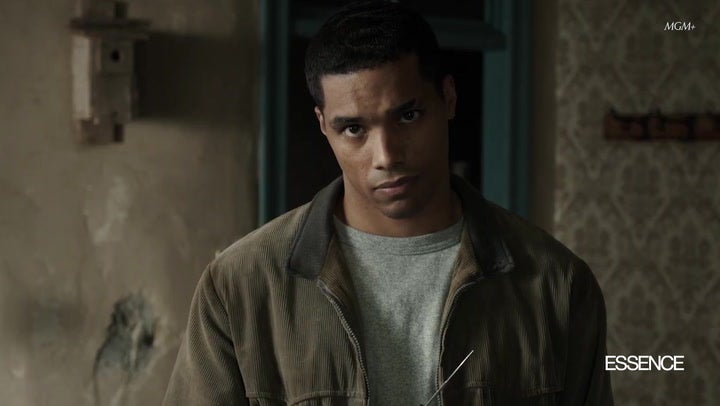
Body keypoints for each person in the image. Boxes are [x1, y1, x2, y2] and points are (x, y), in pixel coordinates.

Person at [162, 1, 613, 405]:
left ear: (448, 98)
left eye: (408, 116)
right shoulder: (238, 286)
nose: (387, 156)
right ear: (323, 125)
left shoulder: (557, 283)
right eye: (354, 129)